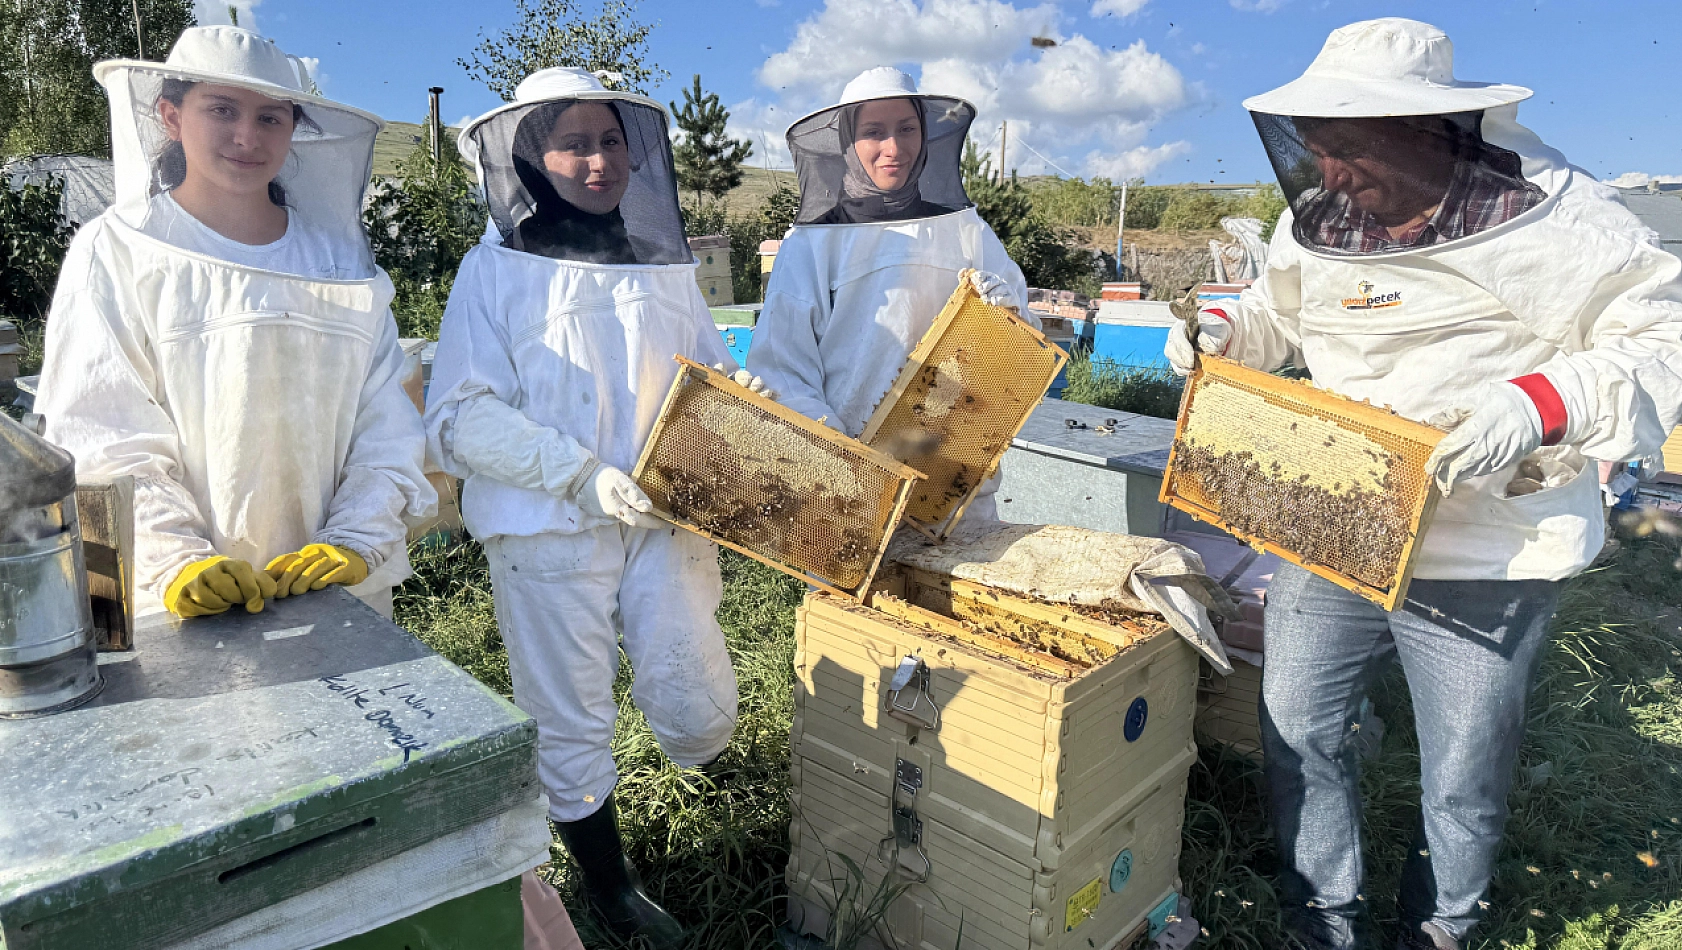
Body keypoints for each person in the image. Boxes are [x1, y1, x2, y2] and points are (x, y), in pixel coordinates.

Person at [1163, 19, 1682, 950]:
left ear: (1428, 131)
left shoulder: (1557, 214)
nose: (1329, 171)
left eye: (1349, 147)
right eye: (1316, 148)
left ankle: (1443, 926)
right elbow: (1276, 315)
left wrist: (1538, 400)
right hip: (1343, 523)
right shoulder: (1315, 219)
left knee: (1463, 767)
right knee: (1298, 725)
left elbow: (1661, 332)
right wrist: (1226, 333)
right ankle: (1322, 913)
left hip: (1491, 541)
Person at [424, 67, 761, 947]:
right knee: (570, 717)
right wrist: (576, 474)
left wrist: (740, 400)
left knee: (697, 701)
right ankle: (612, 893)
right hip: (546, 522)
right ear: (532, 157)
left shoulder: (665, 266)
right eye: (574, 142)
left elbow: (705, 372)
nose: (599, 159)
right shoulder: (491, 271)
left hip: (664, 518)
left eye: (611, 139)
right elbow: (457, 417)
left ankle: (691, 784)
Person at [37, 26, 434, 620]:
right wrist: (175, 561)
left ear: (294, 127)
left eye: (271, 117)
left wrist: (356, 538)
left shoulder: (339, 265)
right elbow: (100, 432)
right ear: (170, 116)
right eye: (221, 110)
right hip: (177, 610)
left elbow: (385, 426)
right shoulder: (119, 250)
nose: (247, 137)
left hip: (340, 599)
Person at [747, 67, 1030, 520]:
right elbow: (783, 368)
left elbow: (1023, 342)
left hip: (956, 480)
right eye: (873, 132)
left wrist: (1010, 314)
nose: (893, 148)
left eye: (906, 129)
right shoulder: (813, 244)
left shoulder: (966, 230)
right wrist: (847, 463)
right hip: (846, 493)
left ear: (926, 136)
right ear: (847, 144)